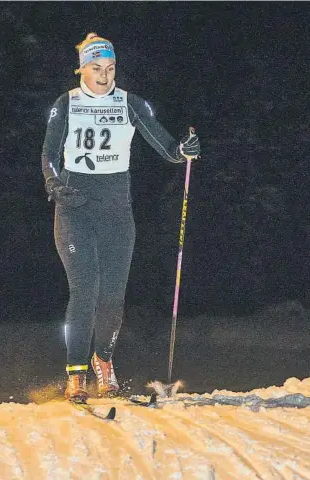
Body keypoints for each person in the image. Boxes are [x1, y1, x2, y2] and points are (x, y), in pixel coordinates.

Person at [41, 33, 200, 402]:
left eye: (110, 68)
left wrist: (183, 151)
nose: (104, 76)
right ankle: (76, 373)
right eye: (96, 68)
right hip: (75, 208)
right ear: (82, 68)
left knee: (112, 297)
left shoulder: (131, 104)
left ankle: (104, 362)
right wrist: (52, 181)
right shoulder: (66, 104)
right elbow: (48, 152)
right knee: (85, 291)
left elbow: (166, 147)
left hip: (116, 210)